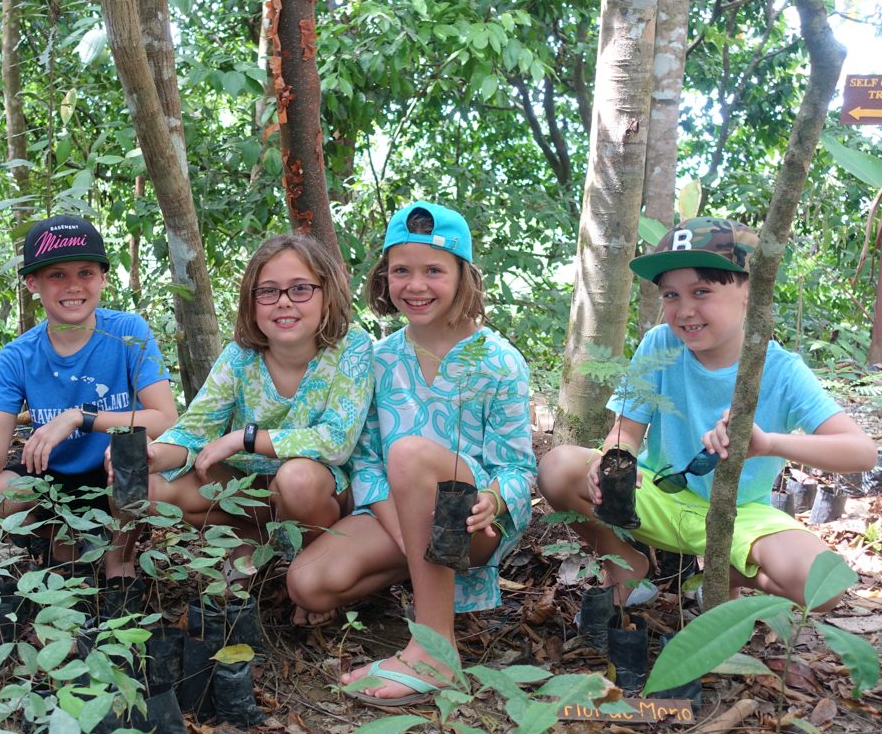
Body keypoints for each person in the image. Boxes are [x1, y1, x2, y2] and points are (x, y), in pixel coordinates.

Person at [537, 217, 876, 613]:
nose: (685, 310)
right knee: (558, 465)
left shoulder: (780, 370)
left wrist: (768, 444)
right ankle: (625, 565)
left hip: (740, 515)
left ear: (748, 289)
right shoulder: (660, 345)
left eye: (702, 291)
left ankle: (724, 575)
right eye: (670, 295)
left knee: (825, 585)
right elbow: (625, 431)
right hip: (657, 494)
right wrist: (616, 456)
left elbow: (861, 452)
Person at [286, 203, 536, 707]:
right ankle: (424, 576)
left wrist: (494, 498)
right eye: (401, 270)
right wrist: (404, 530)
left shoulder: (498, 360)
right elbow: (367, 462)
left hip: (470, 527)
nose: (415, 285)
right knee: (307, 584)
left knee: (411, 452)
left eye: (433, 271)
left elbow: (519, 468)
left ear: (463, 276)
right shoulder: (378, 358)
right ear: (384, 278)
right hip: (398, 514)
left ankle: (434, 653)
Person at [0, 215, 178, 589]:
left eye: (86, 272)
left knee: (129, 451)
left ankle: (119, 560)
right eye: (57, 275)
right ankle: (53, 535)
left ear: (103, 278)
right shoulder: (17, 356)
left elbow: (165, 419)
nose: (73, 286)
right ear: (32, 283)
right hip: (50, 483)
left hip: (112, 479)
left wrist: (80, 417)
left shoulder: (127, 331)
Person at [123, 234, 373, 601]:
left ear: (327, 294)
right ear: (252, 302)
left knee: (296, 479)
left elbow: (335, 442)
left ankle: (308, 565)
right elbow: (193, 433)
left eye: (300, 289)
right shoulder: (239, 356)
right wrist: (152, 456)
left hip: (320, 491)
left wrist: (244, 437)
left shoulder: (351, 347)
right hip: (252, 492)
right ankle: (254, 537)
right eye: (268, 291)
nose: (284, 302)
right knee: (154, 488)